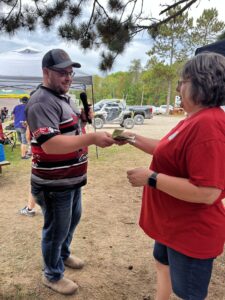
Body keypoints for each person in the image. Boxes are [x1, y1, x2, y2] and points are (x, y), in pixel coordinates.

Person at [120, 52, 225, 300]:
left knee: (186, 294)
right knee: (162, 266)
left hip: (190, 232)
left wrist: (151, 178)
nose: (178, 87)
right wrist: (129, 137)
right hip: (173, 224)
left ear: (202, 82)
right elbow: (168, 150)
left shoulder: (209, 124)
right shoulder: (195, 118)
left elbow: (208, 192)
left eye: (183, 81)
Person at [26, 48, 115, 295]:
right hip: (53, 183)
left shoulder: (64, 98)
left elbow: (69, 131)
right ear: (46, 72)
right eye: (62, 73)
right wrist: (92, 138)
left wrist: (83, 121)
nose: (68, 78)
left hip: (71, 179)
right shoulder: (41, 101)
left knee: (70, 222)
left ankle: (62, 256)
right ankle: (52, 275)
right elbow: (50, 144)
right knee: (56, 229)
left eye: (70, 73)